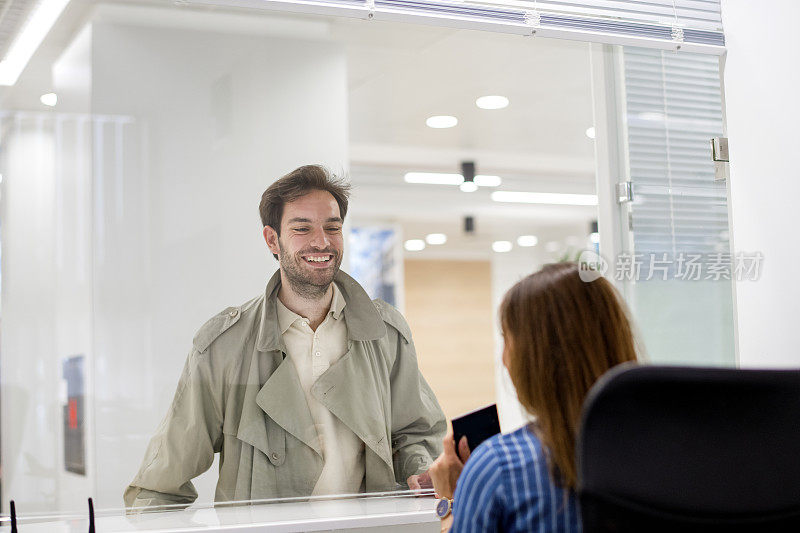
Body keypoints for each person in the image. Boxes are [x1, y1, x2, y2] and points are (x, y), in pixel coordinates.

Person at [125, 165, 445, 508]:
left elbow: (417, 433)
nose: (321, 241)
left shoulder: (386, 333)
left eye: (332, 227)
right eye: (302, 228)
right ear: (272, 240)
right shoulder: (224, 347)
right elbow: (159, 487)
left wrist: (419, 468)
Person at [429, 262, 638, 532]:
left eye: (507, 339)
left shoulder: (498, 467)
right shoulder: (667, 453)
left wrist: (450, 502)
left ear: (534, 359)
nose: (504, 360)